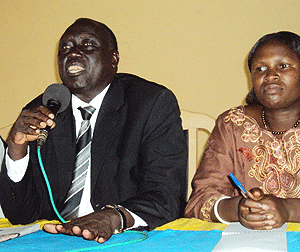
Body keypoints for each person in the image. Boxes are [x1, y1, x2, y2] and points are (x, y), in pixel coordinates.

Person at [0, 18, 187, 243]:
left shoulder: (150, 103)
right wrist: (16, 148)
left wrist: (113, 217)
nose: (73, 53)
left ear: (113, 59)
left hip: (127, 238)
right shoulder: (42, 111)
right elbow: (21, 215)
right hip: (55, 240)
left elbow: (167, 197)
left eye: (87, 45)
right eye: (65, 49)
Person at [185, 31, 300, 230]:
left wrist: (288, 209)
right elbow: (200, 201)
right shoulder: (233, 124)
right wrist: (237, 208)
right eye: (260, 68)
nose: (270, 75)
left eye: (283, 66)